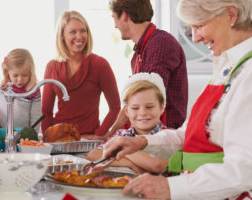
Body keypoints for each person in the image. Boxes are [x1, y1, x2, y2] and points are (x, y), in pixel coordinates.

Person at [103, 0, 252, 199]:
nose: (196, 38)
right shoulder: (227, 68)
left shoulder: (248, 75)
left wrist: (171, 187)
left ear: (231, 15)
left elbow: (243, 170)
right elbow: (186, 134)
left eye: (199, 25)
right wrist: (141, 141)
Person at [105, 0, 188, 138]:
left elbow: (145, 95)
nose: (115, 26)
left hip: (163, 139)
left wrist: (110, 135)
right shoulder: (140, 52)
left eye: (114, 18)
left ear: (124, 15)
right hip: (149, 137)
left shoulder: (160, 43)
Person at [41, 10, 120, 138]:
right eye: (73, 32)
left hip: (89, 138)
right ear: (62, 35)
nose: (79, 36)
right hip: (60, 138)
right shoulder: (52, 66)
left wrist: (98, 134)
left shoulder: (100, 65)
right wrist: (47, 138)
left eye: (83, 31)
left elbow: (115, 107)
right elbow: (46, 111)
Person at [86, 73, 168, 174]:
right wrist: (130, 164)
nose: (142, 113)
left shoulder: (167, 136)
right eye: (135, 108)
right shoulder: (123, 134)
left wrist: (121, 150)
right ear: (126, 112)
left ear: (161, 108)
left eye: (149, 107)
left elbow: (158, 166)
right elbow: (93, 154)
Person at [0, 48, 41, 131]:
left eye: (24, 75)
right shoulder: (3, 84)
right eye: (15, 75)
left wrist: (33, 134)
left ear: (31, 72)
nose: (20, 79)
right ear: (7, 72)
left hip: (23, 134)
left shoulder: (33, 90)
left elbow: (35, 116)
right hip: (1, 130)